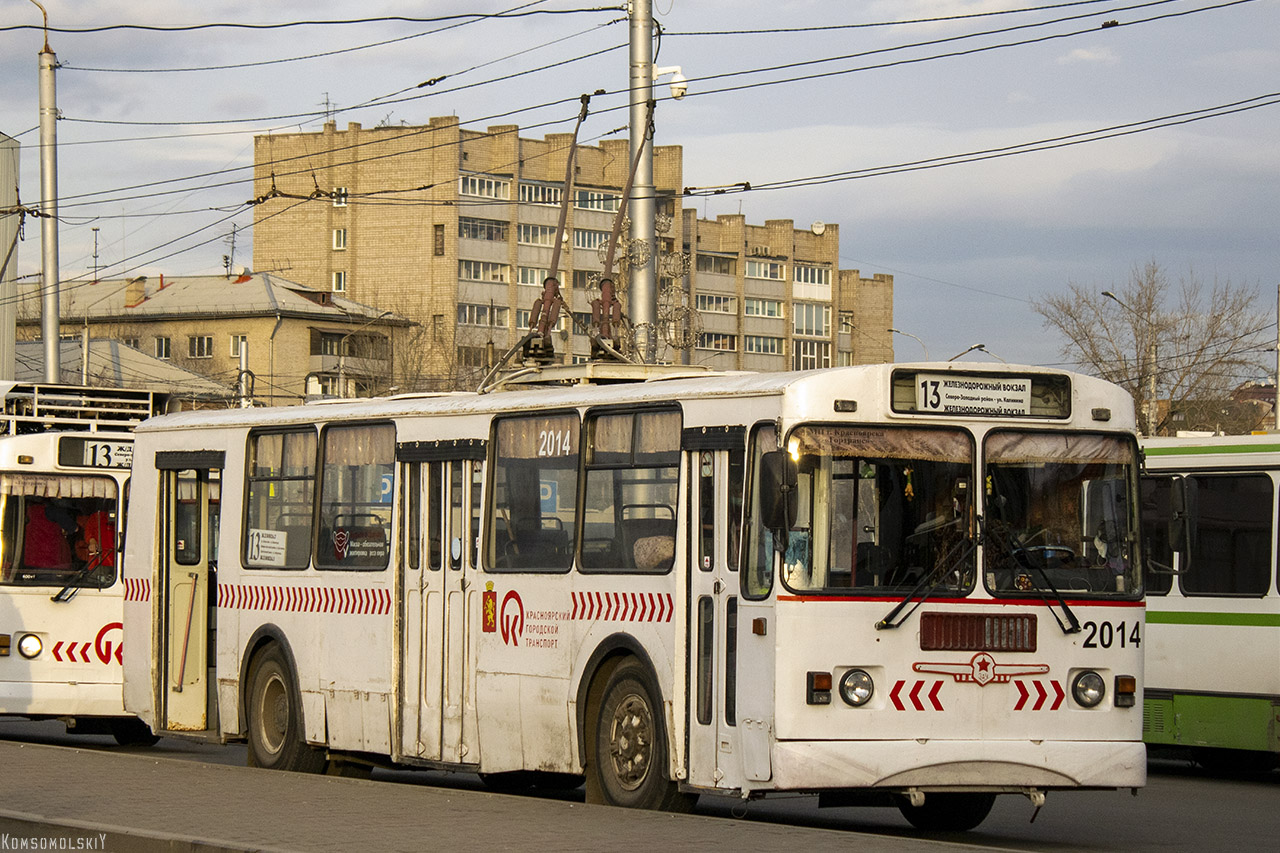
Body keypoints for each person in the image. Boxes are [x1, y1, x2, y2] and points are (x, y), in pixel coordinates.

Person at [23, 503, 74, 570]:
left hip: (30, 563)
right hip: (51, 563)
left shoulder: (24, 514)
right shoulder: (51, 511)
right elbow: (74, 528)